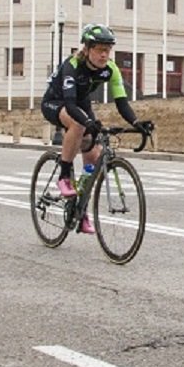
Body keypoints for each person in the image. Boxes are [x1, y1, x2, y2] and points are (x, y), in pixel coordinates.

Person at [40, 24, 153, 234]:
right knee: (78, 124)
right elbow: (70, 105)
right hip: (56, 102)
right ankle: (64, 176)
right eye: (100, 50)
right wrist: (88, 123)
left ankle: (80, 210)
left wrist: (136, 123)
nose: (104, 55)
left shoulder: (110, 69)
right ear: (87, 49)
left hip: (81, 105)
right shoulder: (73, 65)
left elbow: (122, 103)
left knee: (94, 155)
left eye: (107, 50)